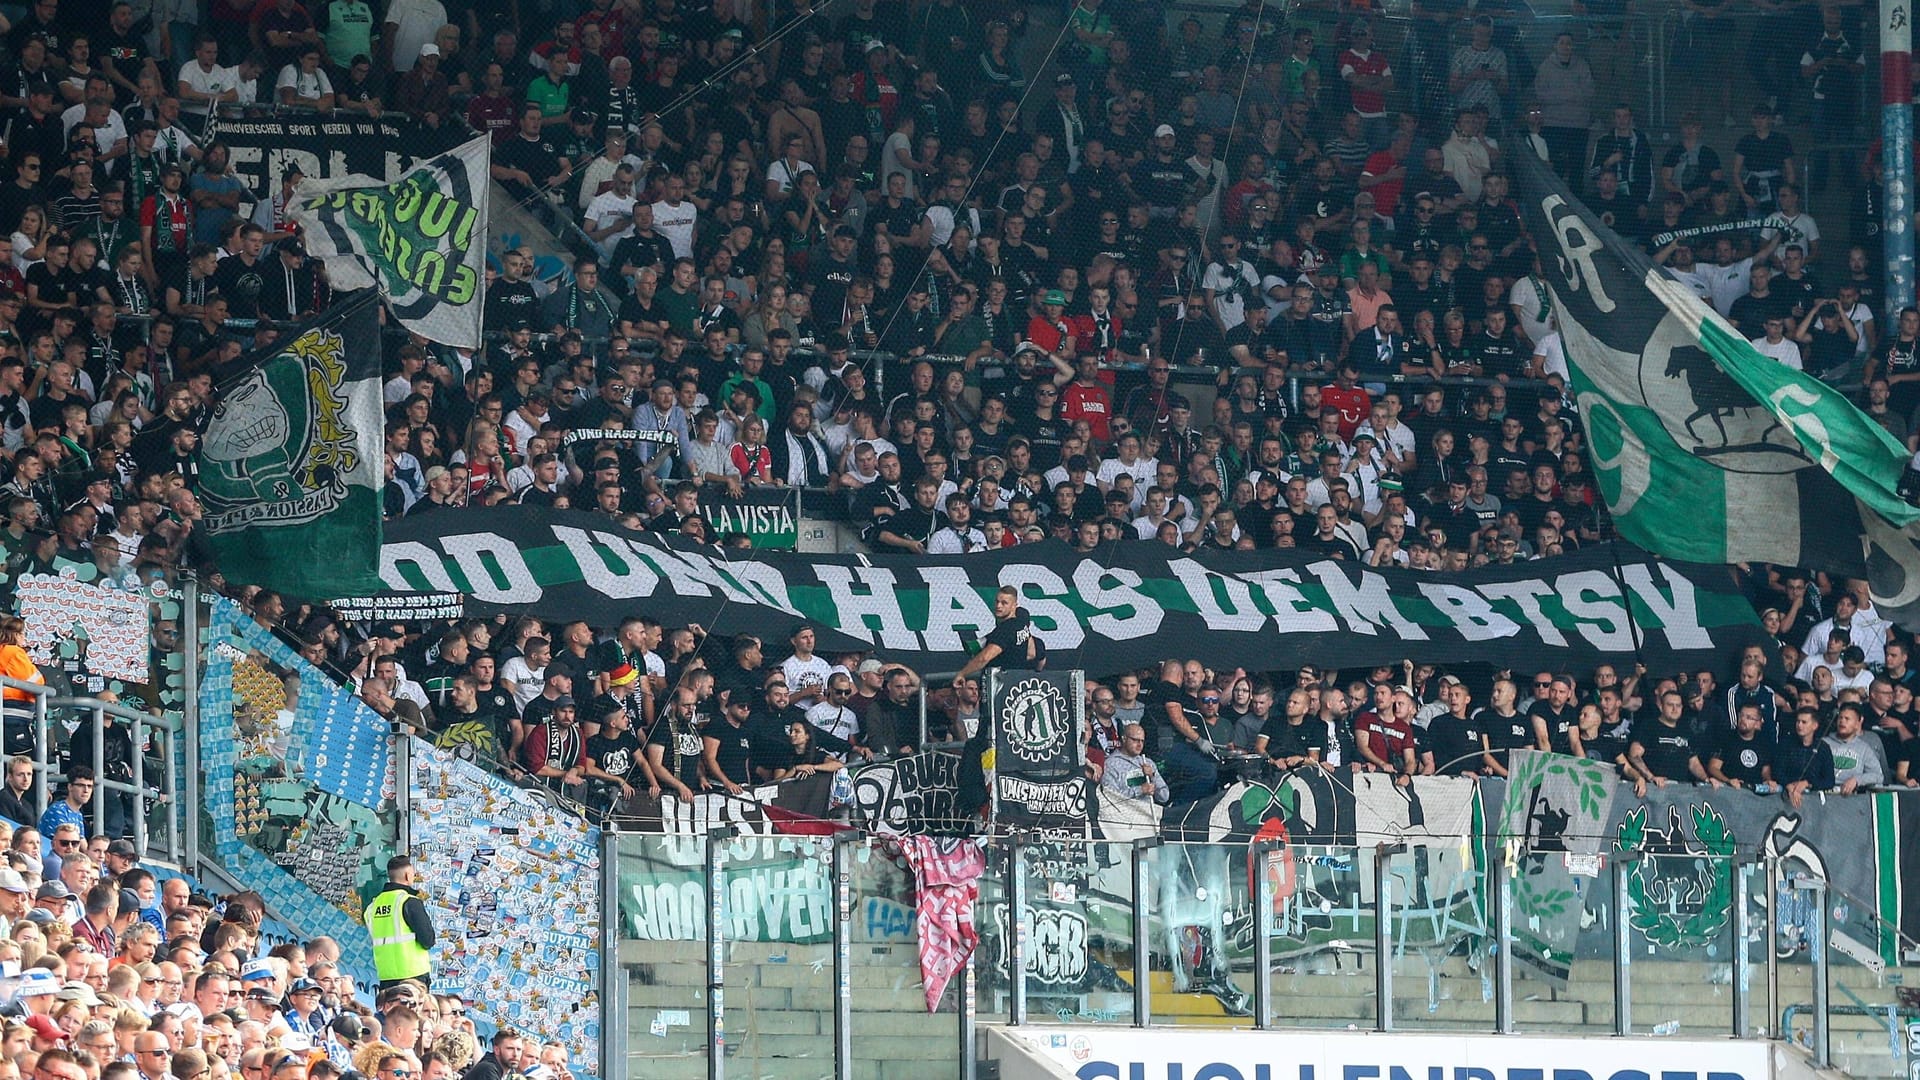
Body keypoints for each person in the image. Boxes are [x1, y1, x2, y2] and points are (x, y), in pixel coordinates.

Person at [363, 855, 434, 989]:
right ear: (407, 875)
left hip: (386, 977)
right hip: (414, 976)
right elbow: (428, 940)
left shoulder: (372, 907)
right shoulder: (409, 902)